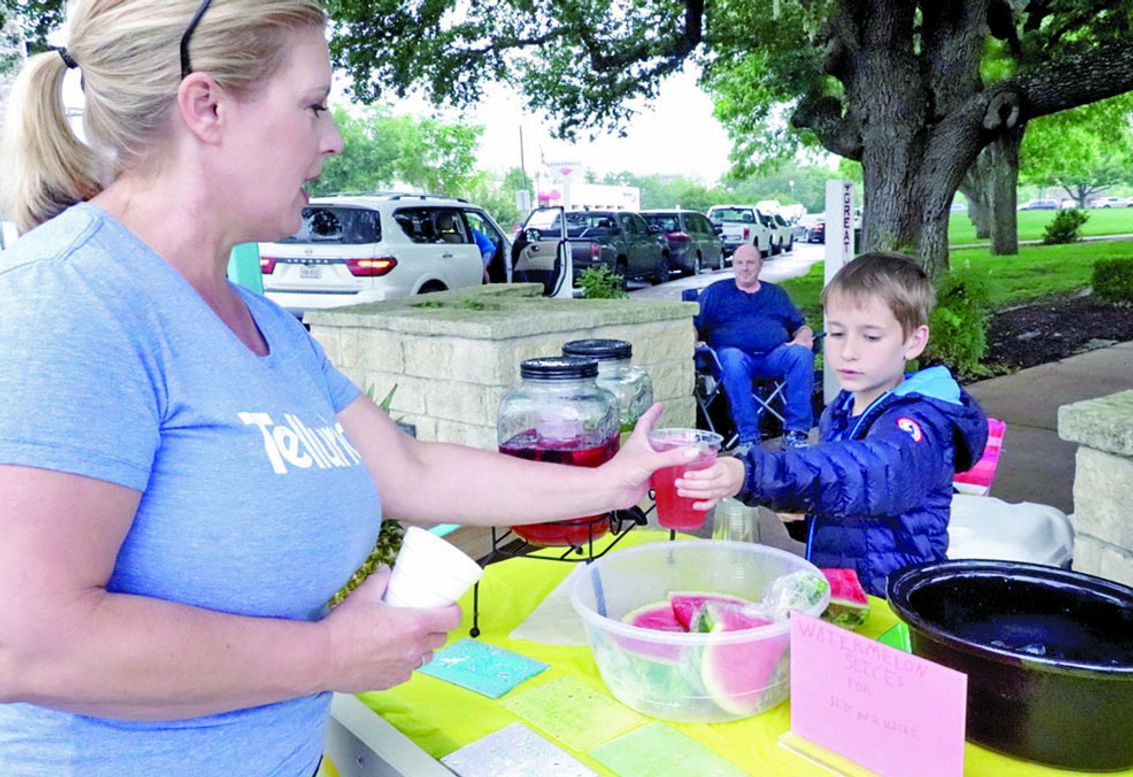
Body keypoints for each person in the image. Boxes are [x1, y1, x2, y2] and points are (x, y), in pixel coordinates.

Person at [0, 3, 693, 774]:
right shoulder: (70, 300)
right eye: (313, 105)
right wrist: (326, 653)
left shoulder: (262, 322)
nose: (332, 138)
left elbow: (410, 470)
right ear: (206, 107)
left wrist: (615, 478)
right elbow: (29, 643)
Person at [680, 252, 989, 598]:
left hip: (896, 603)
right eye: (838, 334)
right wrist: (807, 512)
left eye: (870, 337)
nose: (848, 352)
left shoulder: (921, 421)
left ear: (913, 341)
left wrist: (753, 473)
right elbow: (840, 489)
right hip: (846, 596)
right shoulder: (841, 410)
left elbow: (870, 470)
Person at [694, 243, 814, 451]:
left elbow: (800, 326)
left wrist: (804, 337)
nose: (745, 268)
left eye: (750, 262)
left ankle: (796, 433)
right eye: (739, 263)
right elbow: (694, 325)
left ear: (760, 265)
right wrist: (693, 340)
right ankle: (749, 438)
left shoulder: (776, 294)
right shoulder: (715, 293)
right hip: (731, 360)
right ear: (733, 265)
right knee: (732, 357)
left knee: (800, 354)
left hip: (772, 358)